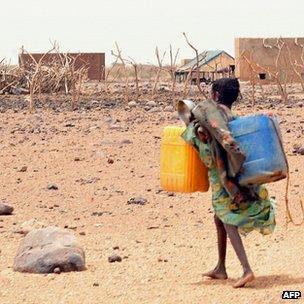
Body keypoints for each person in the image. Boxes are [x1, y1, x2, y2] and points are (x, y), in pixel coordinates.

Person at [181, 78, 276, 288]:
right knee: (219, 217)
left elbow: (209, 141)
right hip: (236, 176)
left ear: (215, 95)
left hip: (222, 177)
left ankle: (246, 269)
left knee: (226, 218)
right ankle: (221, 267)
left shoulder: (213, 116)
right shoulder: (232, 117)